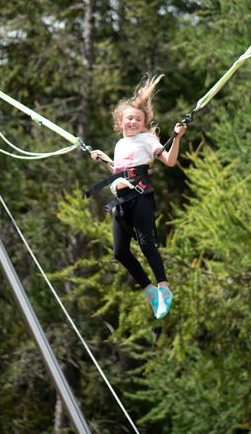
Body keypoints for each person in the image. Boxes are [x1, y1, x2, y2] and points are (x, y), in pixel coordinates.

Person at [89, 74, 187, 319]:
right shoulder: (119, 145)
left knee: (146, 243)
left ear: (144, 124)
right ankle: (150, 292)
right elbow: (117, 171)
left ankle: (164, 289)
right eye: (129, 118)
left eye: (138, 119)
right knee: (120, 252)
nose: (133, 122)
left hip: (140, 195)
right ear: (120, 122)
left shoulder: (147, 139)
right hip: (120, 201)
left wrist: (176, 138)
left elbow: (170, 161)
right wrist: (102, 159)